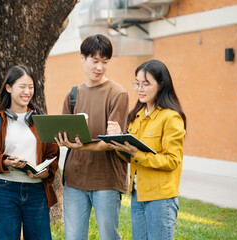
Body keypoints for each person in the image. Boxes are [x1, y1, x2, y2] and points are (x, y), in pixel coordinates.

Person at [55, 34, 129, 240]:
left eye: (105, 62)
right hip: (75, 179)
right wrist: (62, 139)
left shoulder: (118, 94)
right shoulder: (73, 95)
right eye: (95, 61)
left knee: (108, 236)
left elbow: (112, 142)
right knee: (74, 237)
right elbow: (63, 132)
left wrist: (81, 147)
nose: (100, 67)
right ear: (82, 59)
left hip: (106, 180)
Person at [107, 59, 187, 240]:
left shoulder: (171, 117)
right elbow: (131, 157)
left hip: (161, 198)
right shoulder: (137, 115)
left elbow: (172, 161)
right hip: (138, 194)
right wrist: (118, 141)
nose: (139, 89)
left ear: (161, 85)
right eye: (137, 83)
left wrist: (137, 154)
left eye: (146, 84)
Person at [0, 65, 59, 240]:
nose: (27, 92)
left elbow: (52, 155)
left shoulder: (42, 119)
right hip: (4, 192)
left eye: (31, 87)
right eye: (22, 86)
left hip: (36, 192)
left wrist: (46, 171)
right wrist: (6, 162)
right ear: (9, 88)